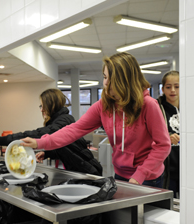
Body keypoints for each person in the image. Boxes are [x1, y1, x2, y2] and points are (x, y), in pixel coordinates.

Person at [21, 52, 171, 187]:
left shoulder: (148, 105)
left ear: (123, 80)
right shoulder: (103, 106)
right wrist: (40, 142)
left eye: (109, 78)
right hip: (120, 174)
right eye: (104, 77)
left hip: (148, 177)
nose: (105, 83)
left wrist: (141, 174)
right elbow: (74, 129)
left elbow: (163, 145)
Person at [0, 88, 103, 176]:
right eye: (40, 106)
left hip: (88, 172)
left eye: (43, 106)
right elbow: (69, 148)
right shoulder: (62, 119)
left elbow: (36, 134)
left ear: (51, 105)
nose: (41, 110)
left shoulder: (62, 121)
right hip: (82, 169)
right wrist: (48, 154)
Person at [157, 70, 180, 197]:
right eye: (168, 87)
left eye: (177, 86)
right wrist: (167, 138)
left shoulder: (191, 107)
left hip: (187, 167)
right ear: (163, 89)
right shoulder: (157, 108)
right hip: (166, 169)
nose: (173, 90)